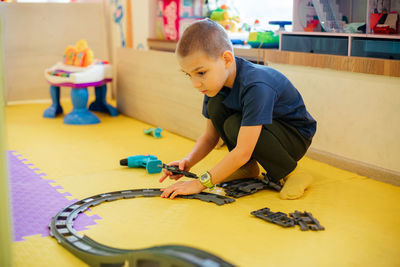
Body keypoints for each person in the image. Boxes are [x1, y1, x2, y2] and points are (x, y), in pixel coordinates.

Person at [159, 19, 316, 200]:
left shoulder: (256, 85)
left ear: (226, 59)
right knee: (216, 106)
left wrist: (199, 183)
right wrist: (187, 162)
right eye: (189, 74)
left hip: (294, 137)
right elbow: (210, 137)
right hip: (268, 132)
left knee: (234, 124)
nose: (195, 83)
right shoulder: (214, 86)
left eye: (201, 73)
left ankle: (292, 172)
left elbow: (243, 151)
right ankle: (247, 168)